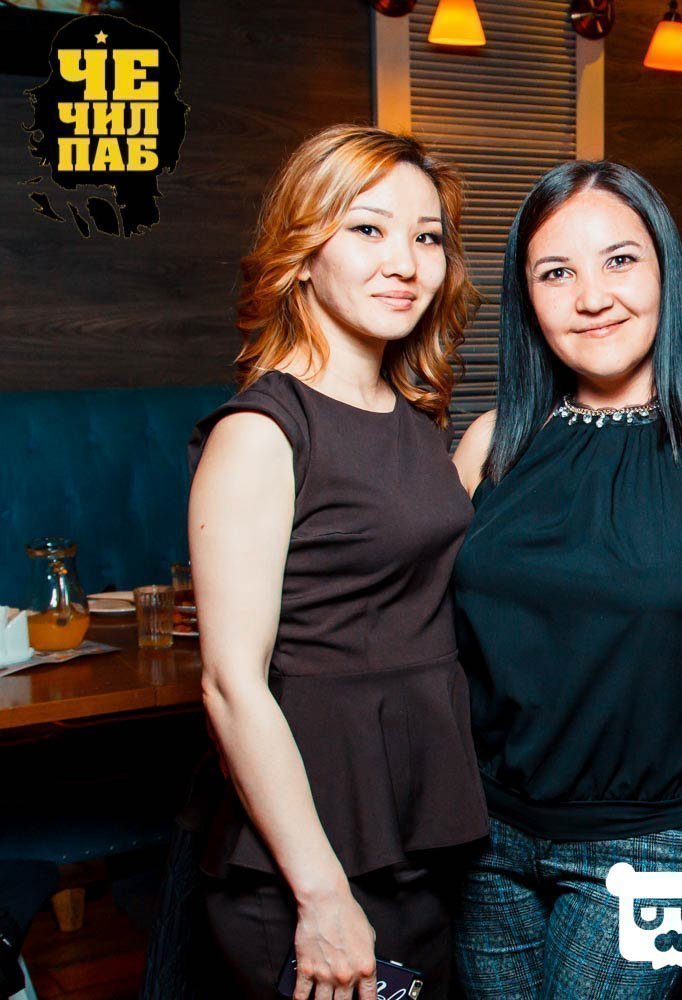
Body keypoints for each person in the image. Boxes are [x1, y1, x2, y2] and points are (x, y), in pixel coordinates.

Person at [188, 125, 487, 999]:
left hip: (412, 828)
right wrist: (319, 894)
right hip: (312, 853)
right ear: (303, 253)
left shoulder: (414, 417)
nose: (405, 263)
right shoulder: (263, 430)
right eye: (367, 229)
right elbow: (230, 685)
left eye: (426, 237)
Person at [449, 160, 682, 1000]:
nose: (592, 297)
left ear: (665, 271)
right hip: (483, 836)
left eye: (620, 260)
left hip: (661, 846)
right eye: (556, 273)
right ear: (527, 298)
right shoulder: (489, 445)